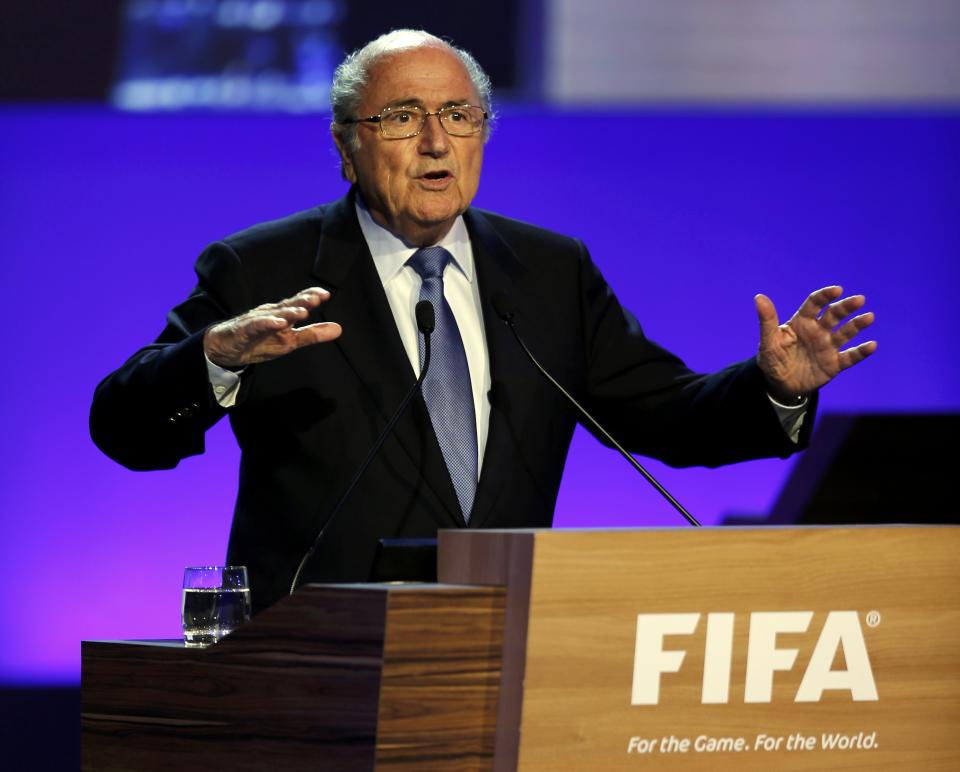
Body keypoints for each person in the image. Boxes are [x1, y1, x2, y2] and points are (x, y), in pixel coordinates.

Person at [90, 30, 876, 613]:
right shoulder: (261, 269)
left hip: (505, 647)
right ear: (346, 146)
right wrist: (213, 360)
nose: (437, 141)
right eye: (402, 116)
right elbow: (124, 427)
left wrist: (772, 388)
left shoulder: (548, 271)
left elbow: (670, 416)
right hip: (316, 665)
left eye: (459, 115)